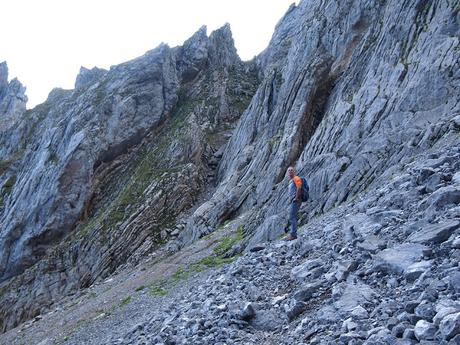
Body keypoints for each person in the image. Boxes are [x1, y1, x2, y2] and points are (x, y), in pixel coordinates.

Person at [286, 166, 302, 240]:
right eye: (289, 170)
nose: (290, 171)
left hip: (296, 200)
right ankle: (292, 233)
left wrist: (296, 198)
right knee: (292, 216)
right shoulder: (291, 180)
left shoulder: (296, 178)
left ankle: (293, 234)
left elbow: (299, 187)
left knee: (292, 216)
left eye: (291, 170)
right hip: (293, 200)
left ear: (294, 171)